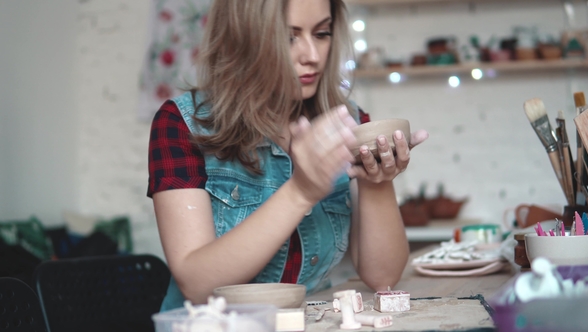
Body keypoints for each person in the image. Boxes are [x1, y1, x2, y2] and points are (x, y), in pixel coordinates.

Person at [147, 0, 429, 311]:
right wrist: (301, 192)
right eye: (288, 37)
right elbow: (197, 285)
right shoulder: (182, 124)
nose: (312, 56)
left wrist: (377, 181)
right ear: (242, 37)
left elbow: (383, 277)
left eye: (322, 33)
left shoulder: (347, 123)